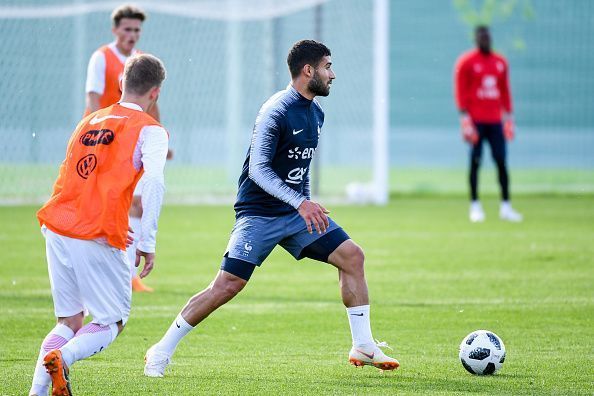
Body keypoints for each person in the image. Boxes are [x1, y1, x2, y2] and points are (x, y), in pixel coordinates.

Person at [143, 40, 399, 378]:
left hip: (295, 216)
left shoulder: (316, 112)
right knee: (227, 286)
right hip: (258, 215)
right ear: (308, 70)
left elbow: (300, 170)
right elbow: (258, 170)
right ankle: (160, 351)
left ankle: (363, 345)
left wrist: (306, 204)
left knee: (352, 256)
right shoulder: (275, 110)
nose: (332, 75)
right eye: (327, 67)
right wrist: (300, 202)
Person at [29, 54, 168, 396]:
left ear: (121, 82)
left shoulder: (88, 121)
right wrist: (147, 241)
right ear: (156, 93)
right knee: (112, 321)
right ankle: (64, 357)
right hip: (94, 232)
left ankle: (36, 392)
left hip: (58, 224)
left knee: (69, 321)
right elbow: (154, 183)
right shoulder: (151, 130)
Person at [85, 4, 163, 290]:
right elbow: (93, 97)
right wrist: (100, 133)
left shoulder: (142, 60)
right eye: (127, 29)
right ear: (115, 30)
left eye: (136, 30)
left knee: (137, 204)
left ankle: (127, 274)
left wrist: (160, 136)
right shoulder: (102, 58)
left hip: (134, 138)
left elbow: (153, 102)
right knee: (109, 206)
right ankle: (106, 273)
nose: (132, 35)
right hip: (104, 142)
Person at [454, 25, 523, 222]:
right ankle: (475, 206)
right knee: (475, 162)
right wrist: (464, 118)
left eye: (488, 37)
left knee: (501, 162)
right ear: (476, 40)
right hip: (476, 121)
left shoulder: (500, 62)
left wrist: (509, 117)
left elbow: (505, 90)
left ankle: (506, 207)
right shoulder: (467, 62)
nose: (485, 40)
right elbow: (461, 91)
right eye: (482, 37)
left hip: (495, 121)